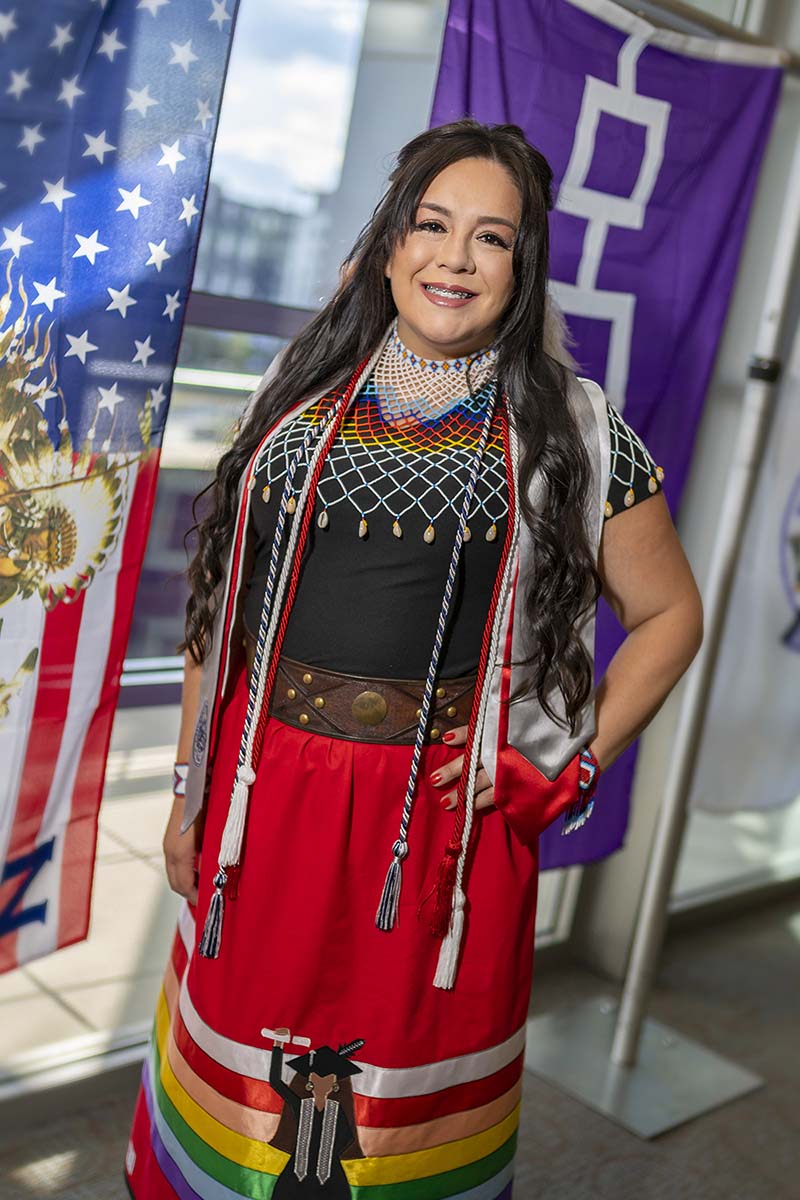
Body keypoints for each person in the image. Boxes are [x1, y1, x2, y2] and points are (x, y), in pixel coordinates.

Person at [124, 117, 703, 1199]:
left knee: (382, 1145)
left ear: (521, 271)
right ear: (388, 243)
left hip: (438, 830)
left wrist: (563, 767)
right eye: (431, 225)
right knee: (244, 1104)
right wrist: (192, 790)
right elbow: (222, 611)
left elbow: (669, 614)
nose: (453, 258)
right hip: (273, 802)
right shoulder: (291, 399)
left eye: (491, 239)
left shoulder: (576, 428)